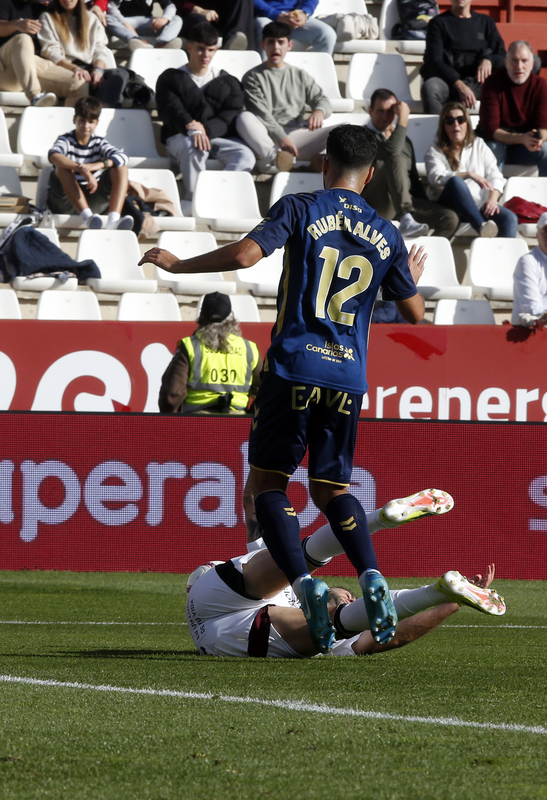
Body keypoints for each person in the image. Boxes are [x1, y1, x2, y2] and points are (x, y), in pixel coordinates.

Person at [141, 124, 427, 655]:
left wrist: (180, 265)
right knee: (333, 491)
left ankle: (304, 586)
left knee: (268, 487)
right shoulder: (387, 234)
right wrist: (400, 273)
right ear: (369, 175)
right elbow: (414, 312)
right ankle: (370, 575)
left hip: (294, 367)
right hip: (347, 375)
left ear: (325, 165)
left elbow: (248, 257)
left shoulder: (302, 208)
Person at [186, 489, 507, 659]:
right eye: (350, 595)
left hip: (217, 608)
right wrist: (453, 605)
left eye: (350, 596)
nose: (351, 596)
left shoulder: (334, 613)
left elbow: (252, 502)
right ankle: (377, 520)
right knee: (306, 564)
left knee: (302, 560)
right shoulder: (334, 615)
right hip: (214, 612)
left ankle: (386, 524)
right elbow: (395, 635)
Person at [156, 22, 257, 208]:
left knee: (245, 156)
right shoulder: (170, 78)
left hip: (215, 137)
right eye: (201, 49)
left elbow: (230, 114)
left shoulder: (228, 81)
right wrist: (191, 128)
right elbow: (170, 109)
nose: (205, 55)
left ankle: (217, 196)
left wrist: (206, 130)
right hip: (180, 136)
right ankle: (195, 200)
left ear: (216, 50)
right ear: (190, 47)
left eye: (210, 50)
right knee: (194, 147)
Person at [363, 89, 459, 240]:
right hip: (374, 203)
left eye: (390, 111)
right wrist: (403, 118)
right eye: (380, 111)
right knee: (396, 159)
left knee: (449, 218)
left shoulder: (405, 141)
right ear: (370, 111)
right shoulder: (362, 136)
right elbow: (391, 151)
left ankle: (424, 256)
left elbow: (413, 180)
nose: (385, 116)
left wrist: (428, 206)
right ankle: (405, 216)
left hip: (404, 200)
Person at [237, 21, 332, 172]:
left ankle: (321, 163)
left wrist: (319, 111)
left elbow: (322, 100)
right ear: (263, 45)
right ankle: (278, 160)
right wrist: (281, 138)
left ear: (290, 45)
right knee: (244, 118)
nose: (276, 47)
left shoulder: (300, 75)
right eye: (271, 42)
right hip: (268, 138)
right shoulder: (252, 77)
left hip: (297, 137)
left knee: (344, 129)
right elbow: (261, 114)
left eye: (281, 42)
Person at [425, 102, 518, 238]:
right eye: (449, 121)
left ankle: (504, 258)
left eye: (460, 120)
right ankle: (481, 226)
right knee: (455, 182)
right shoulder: (435, 149)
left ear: (467, 123)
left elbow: (495, 175)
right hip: (450, 206)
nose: (456, 125)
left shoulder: (478, 144)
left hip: (478, 204)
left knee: (509, 218)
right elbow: (436, 177)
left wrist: (492, 200)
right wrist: (468, 175)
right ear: (443, 126)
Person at [158, 291, 261, 413]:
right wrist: (251, 416)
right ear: (231, 317)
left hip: (197, 421)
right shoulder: (248, 348)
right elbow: (265, 391)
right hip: (237, 422)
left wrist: (171, 420)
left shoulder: (191, 346)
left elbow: (172, 393)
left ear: (201, 317)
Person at [46, 96, 133, 229]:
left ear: (96, 123)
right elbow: (53, 155)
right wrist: (81, 169)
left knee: (121, 168)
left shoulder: (99, 142)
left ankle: (113, 221)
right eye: (82, 121)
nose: (86, 126)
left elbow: (123, 157)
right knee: (62, 169)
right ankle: (88, 218)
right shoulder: (66, 140)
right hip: (64, 202)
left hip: (92, 198)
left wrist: (96, 166)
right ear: (75, 120)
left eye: (91, 122)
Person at [477, 40, 547, 177]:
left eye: (524, 61)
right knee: (493, 149)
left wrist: (539, 138)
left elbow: (544, 128)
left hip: (525, 147)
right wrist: (521, 138)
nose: (519, 66)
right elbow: (491, 130)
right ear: (506, 62)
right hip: (497, 142)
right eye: (514, 61)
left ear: (532, 64)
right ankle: (490, 197)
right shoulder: (492, 84)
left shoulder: (540, 85)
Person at [421, 0, 506, 115]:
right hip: (449, 83)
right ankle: (436, 131)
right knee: (431, 88)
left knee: (516, 77)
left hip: (479, 83)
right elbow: (435, 61)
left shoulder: (486, 22)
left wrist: (489, 60)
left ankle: (508, 130)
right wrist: (459, 85)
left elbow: (502, 55)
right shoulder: (438, 23)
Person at [0, 0, 68, 108]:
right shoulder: (4, 2)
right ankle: (34, 95)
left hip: (30, 67)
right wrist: (17, 24)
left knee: (77, 83)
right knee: (23, 39)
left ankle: (71, 122)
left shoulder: (42, 9)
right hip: (0, 71)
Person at [37, 0, 114, 106]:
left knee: (117, 78)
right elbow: (51, 52)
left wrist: (98, 70)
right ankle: (76, 118)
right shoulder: (47, 18)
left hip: (90, 67)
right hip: (65, 68)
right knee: (80, 81)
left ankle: (104, 114)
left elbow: (100, 48)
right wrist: (75, 68)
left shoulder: (91, 18)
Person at [252, 0, 336, 53]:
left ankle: (316, 76)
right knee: (265, 30)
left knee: (327, 34)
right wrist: (276, 15)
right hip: (266, 15)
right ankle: (265, 75)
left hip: (295, 16)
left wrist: (304, 13)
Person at [102, 0, 183, 50]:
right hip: (124, 23)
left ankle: (163, 43)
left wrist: (164, 19)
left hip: (148, 23)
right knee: (108, 19)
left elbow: (170, 6)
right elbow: (111, 8)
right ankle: (135, 40)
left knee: (177, 19)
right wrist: (127, 25)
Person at [177, 0, 253, 51]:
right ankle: (204, 52)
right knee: (203, 25)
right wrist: (200, 10)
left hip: (217, 15)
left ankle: (234, 42)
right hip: (190, 13)